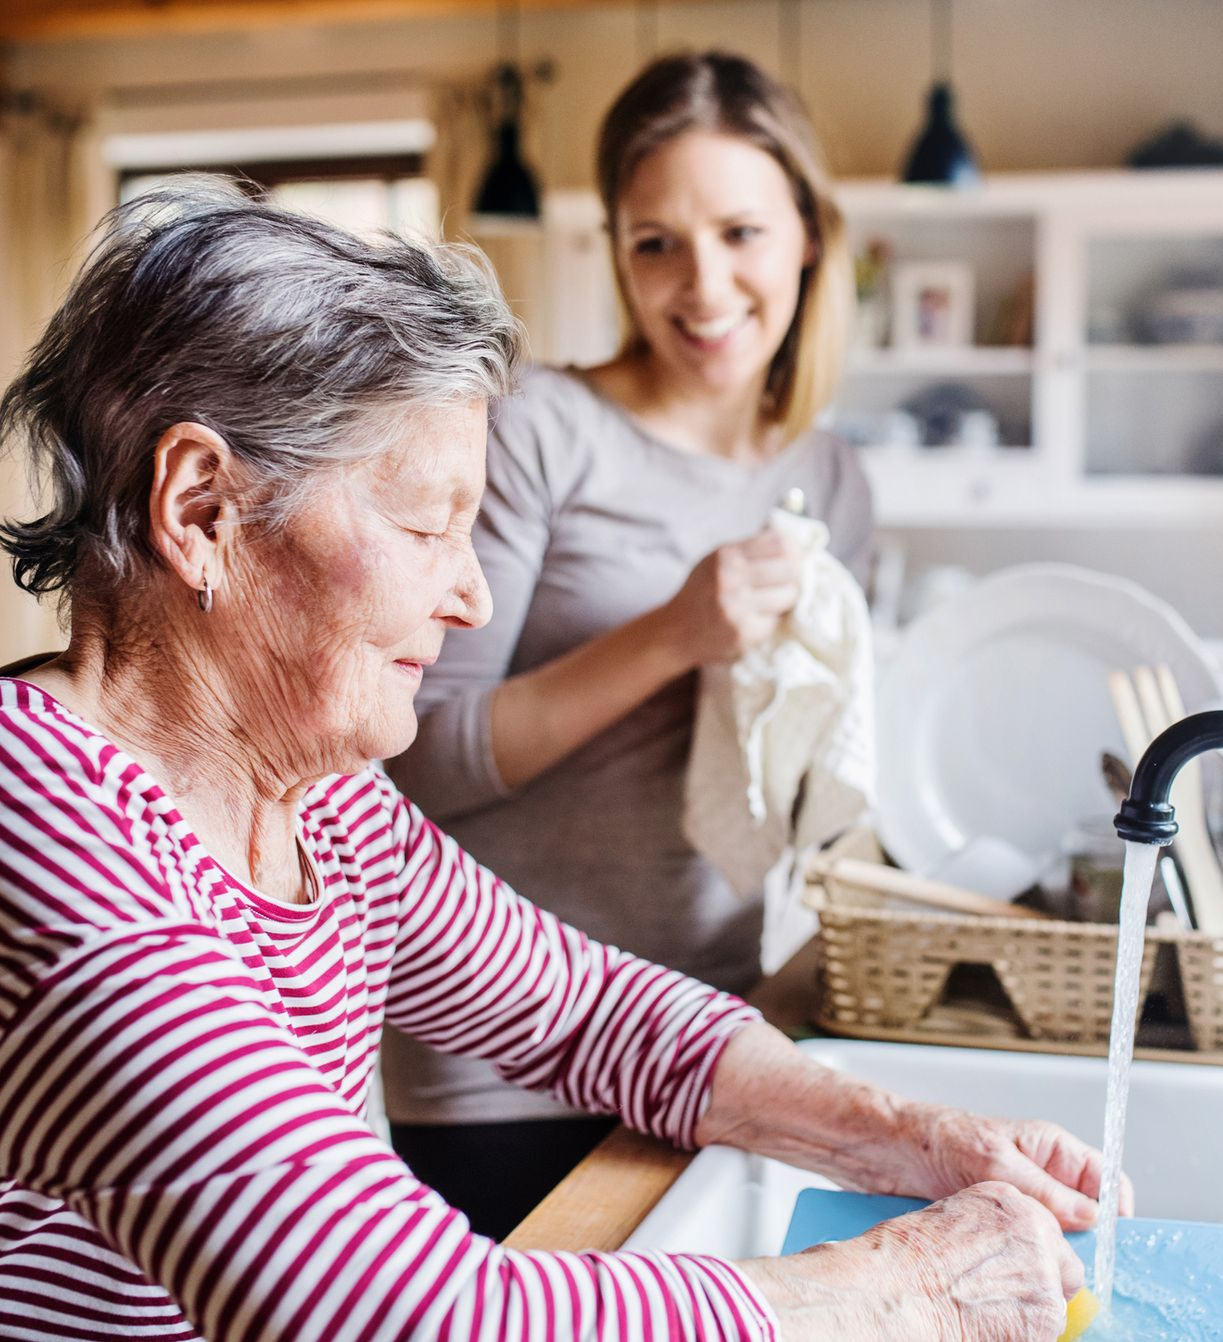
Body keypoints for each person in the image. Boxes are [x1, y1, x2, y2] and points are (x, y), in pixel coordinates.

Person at [0, 178, 1121, 1342]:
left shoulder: (324, 802)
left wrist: (918, 1136)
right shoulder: (54, 846)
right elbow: (411, 1318)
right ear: (201, 510)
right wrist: (912, 1291)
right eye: (429, 526)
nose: (473, 593)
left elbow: (590, 1014)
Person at [381, 50, 873, 1233]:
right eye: (655, 241)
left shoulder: (830, 474)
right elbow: (416, 760)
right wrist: (670, 635)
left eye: (741, 232)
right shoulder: (539, 429)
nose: (702, 286)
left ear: (807, 236)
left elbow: (812, 751)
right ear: (616, 252)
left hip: (717, 1025)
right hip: (503, 1055)